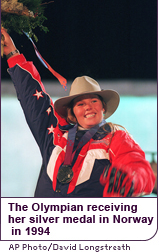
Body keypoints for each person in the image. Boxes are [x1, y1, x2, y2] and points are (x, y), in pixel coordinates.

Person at [1, 29, 155, 198]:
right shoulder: (56, 134)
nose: (88, 107)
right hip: (45, 222)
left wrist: (133, 178)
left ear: (103, 107)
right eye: (81, 103)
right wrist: (12, 53)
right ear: (72, 113)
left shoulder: (116, 138)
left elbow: (137, 165)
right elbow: (32, 98)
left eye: (94, 101)